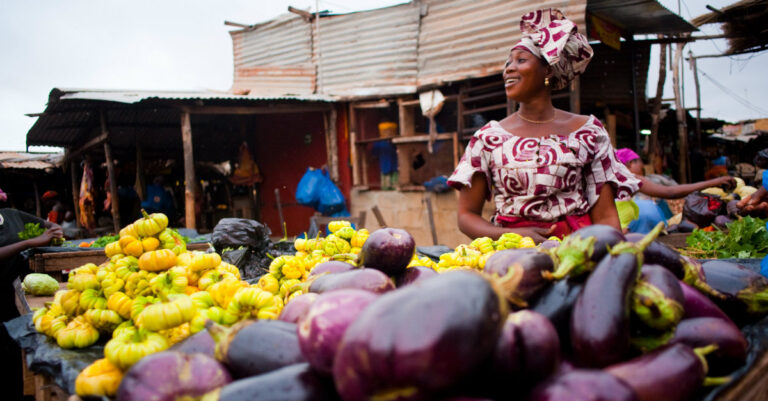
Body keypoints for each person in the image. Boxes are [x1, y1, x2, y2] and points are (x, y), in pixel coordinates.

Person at [447, 9, 640, 243]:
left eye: (521, 60)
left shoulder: (588, 132)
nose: (508, 68)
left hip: (577, 251)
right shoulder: (488, 138)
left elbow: (607, 216)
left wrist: (607, 256)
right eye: (507, 62)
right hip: (511, 256)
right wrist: (515, 235)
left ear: (548, 69)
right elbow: (466, 216)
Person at [0, 208, 63, 400]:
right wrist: (29, 242)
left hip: (22, 295)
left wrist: (54, 231)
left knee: (22, 348)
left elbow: (49, 225)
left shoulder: (12, 214)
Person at [616, 148, 735, 233]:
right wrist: (713, 182)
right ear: (631, 163)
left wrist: (713, 182)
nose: (642, 166)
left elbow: (670, 192)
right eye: (640, 162)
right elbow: (670, 192)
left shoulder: (624, 179)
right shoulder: (625, 180)